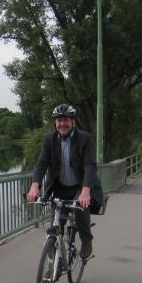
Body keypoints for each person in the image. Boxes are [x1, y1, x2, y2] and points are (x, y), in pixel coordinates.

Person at [26, 104, 104, 259]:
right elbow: (42, 163)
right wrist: (34, 187)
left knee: (79, 208)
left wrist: (86, 191)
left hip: (80, 187)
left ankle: (86, 240)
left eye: (65, 120)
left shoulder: (85, 139)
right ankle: (53, 261)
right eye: (59, 120)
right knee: (56, 224)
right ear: (55, 123)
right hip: (60, 187)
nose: (62, 124)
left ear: (73, 122)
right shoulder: (49, 139)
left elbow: (89, 165)